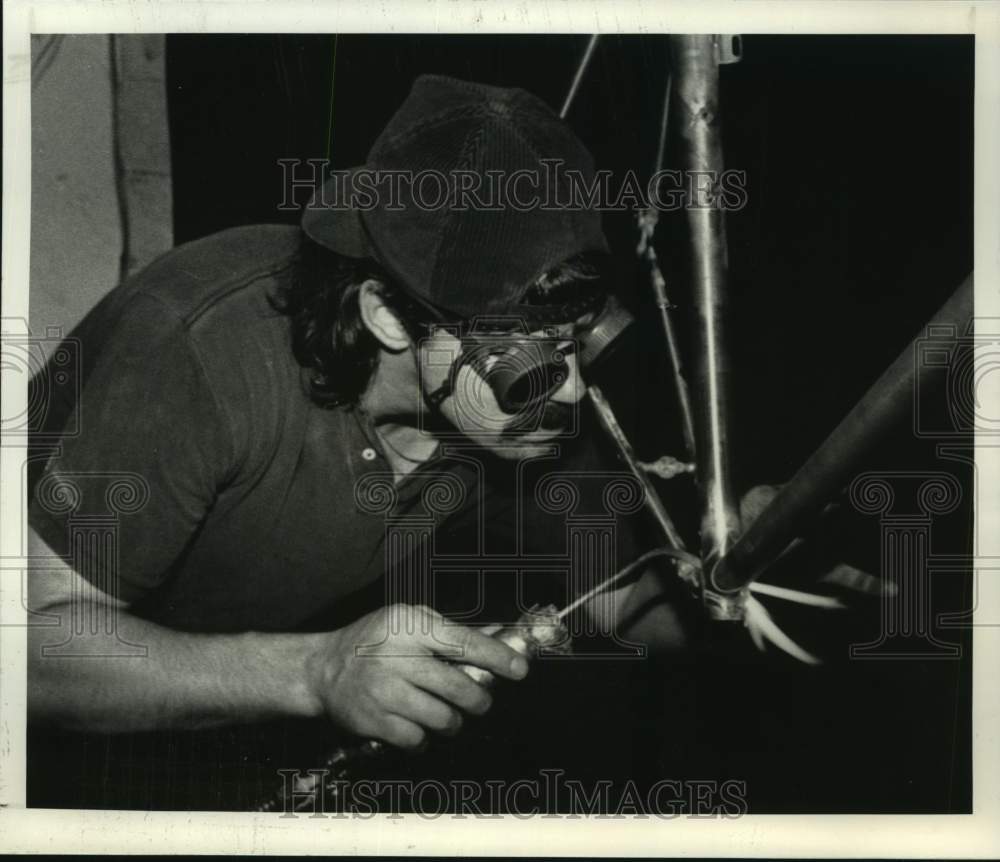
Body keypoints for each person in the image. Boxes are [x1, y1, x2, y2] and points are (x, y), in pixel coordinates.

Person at [26, 74, 691, 810]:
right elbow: (30, 656)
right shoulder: (195, 352)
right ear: (389, 317)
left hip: (222, 731)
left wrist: (763, 578)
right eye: (527, 360)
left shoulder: (521, 415)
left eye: (575, 348)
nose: (566, 391)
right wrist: (315, 672)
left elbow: (624, 604)